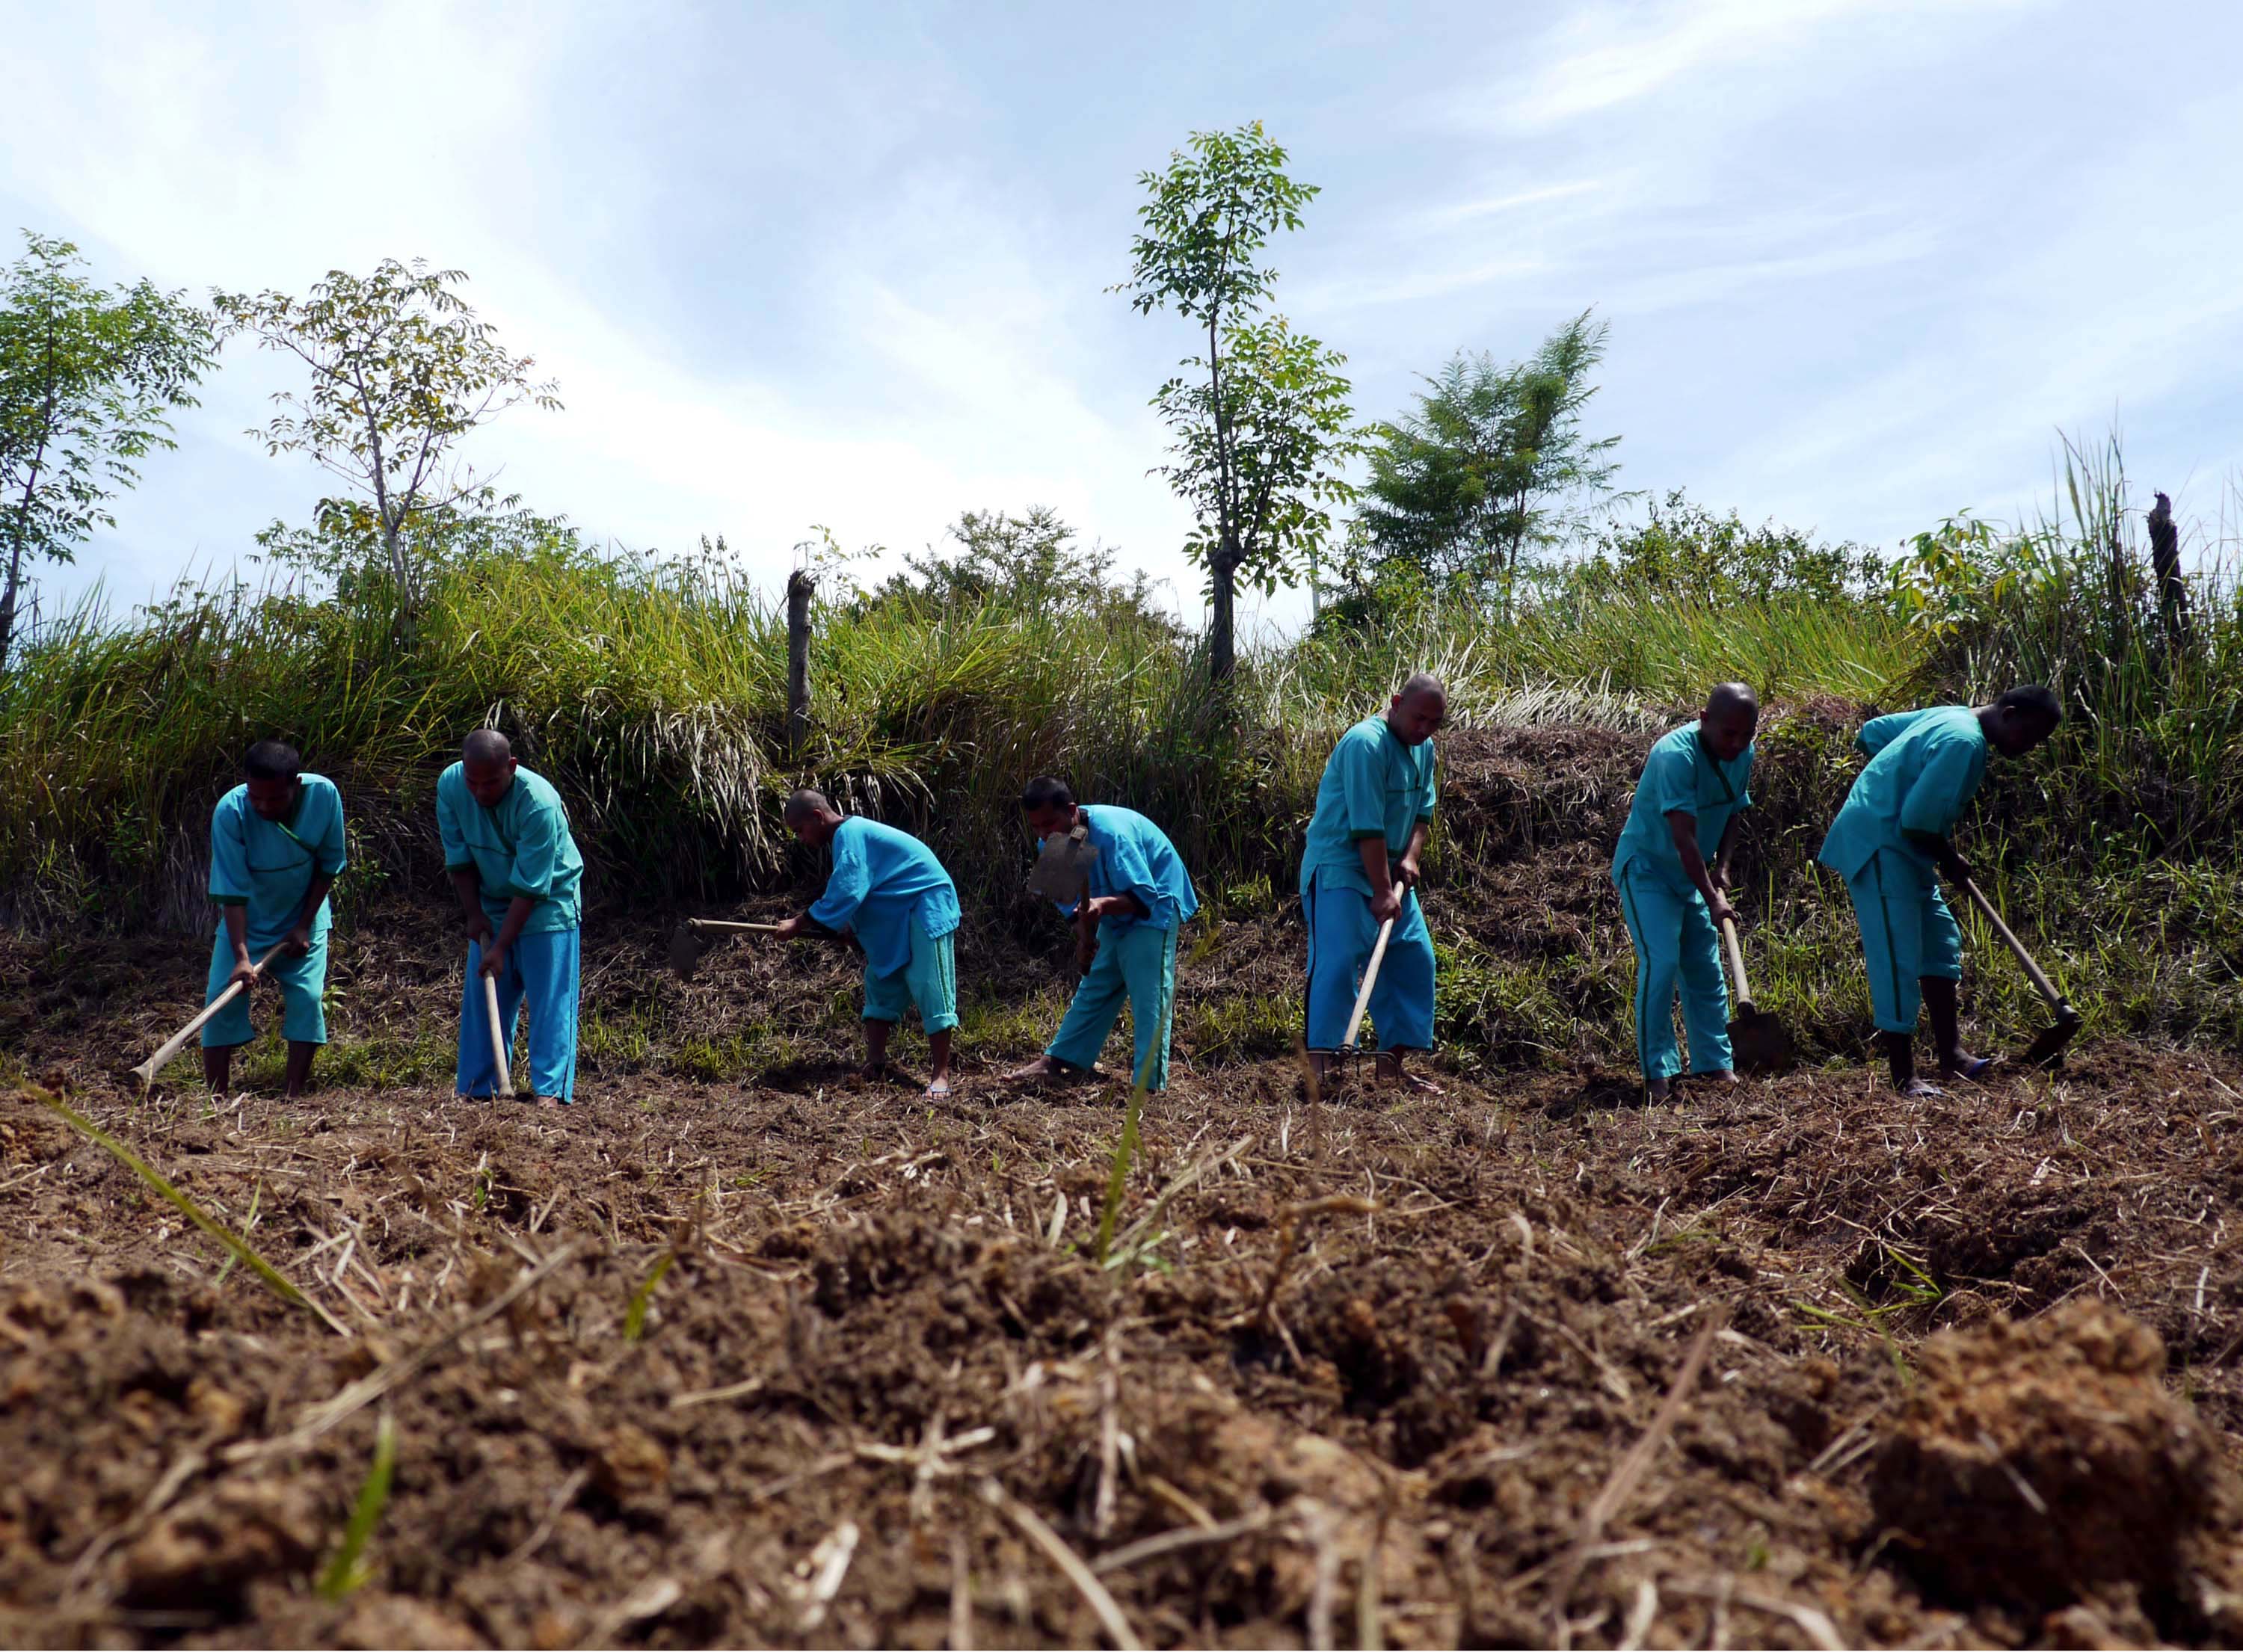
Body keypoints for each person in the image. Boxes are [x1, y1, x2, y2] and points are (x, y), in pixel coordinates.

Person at [1817, 685, 2063, 1095]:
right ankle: (1904, 1077)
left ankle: (1952, 1057)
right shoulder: (1964, 741)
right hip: (1881, 848)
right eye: (2029, 735)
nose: (2030, 747)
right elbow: (1916, 820)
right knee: (1896, 957)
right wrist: (1947, 856)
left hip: (1909, 851)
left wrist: (1899, 774)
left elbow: (1874, 733)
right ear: (2008, 714)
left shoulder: (1952, 716)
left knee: (1940, 943)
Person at [1610, 683, 1759, 1100]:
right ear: (1704, 720)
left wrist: (1722, 871)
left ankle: (1714, 1063)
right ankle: (1657, 1072)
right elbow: (1684, 840)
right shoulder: (1675, 756)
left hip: (1692, 876)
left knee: (1705, 969)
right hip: (1648, 869)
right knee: (1662, 962)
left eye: (1746, 735)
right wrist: (1713, 899)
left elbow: (1734, 811)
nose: (1736, 744)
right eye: (1728, 733)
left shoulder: (1743, 754)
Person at [1301, 673, 1445, 1092]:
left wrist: (1411, 857)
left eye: (1434, 723)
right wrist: (1382, 890)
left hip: (1391, 871)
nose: (1424, 729)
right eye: (1418, 718)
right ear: (1397, 704)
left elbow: (1423, 811)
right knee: (1339, 960)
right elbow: (1367, 826)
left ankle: (1390, 1067)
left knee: (1413, 957)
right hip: (1342, 867)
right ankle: (1323, 1071)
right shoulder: (1365, 744)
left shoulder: (1424, 749)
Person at [1006, 780, 1199, 1092]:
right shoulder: (1053, 843)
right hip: (1112, 905)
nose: (1043, 834)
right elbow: (1073, 910)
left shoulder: (1111, 833)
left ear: (1071, 811)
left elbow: (1142, 897)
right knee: (1096, 983)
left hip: (1156, 902)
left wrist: (1101, 906)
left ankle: (1148, 1086)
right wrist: (1085, 940)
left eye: (1049, 823)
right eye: (1036, 827)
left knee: (1148, 993)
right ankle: (1057, 1061)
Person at [771, 790, 960, 1097]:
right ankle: (875, 1062)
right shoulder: (848, 838)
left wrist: (799, 923)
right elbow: (871, 887)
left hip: (926, 903)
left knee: (930, 983)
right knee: (880, 980)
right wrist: (851, 927)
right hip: (898, 912)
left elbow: (848, 889)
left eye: (800, 830)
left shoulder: (851, 834)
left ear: (817, 817)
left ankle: (941, 1075)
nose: (801, 839)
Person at [437, 730, 585, 1107]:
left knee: (550, 1001)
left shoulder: (538, 803)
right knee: (484, 999)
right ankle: (479, 1089)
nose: (479, 792)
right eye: (473, 782)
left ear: (512, 767)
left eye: (490, 783)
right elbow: (459, 858)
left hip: (549, 901)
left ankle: (550, 1093)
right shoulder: (451, 785)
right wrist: (475, 915)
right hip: (491, 901)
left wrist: (501, 947)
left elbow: (532, 887)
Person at [200, 741, 348, 1098]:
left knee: (308, 998)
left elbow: (329, 865)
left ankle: (292, 1094)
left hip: (303, 916)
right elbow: (232, 891)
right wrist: (241, 957)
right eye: (256, 797)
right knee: (220, 998)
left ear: (295, 785)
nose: (264, 807)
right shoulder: (231, 812)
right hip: (247, 922)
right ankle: (217, 1099)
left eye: (275, 799)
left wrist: (303, 925)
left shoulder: (324, 795)